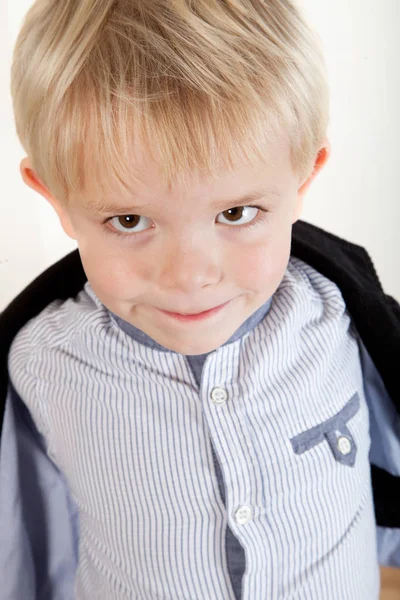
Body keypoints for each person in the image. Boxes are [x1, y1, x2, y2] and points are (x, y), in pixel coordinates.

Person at [1, 0, 399, 598]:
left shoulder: (337, 316)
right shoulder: (42, 364)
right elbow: (21, 528)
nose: (189, 275)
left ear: (303, 179)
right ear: (54, 196)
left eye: (236, 213)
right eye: (130, 220)